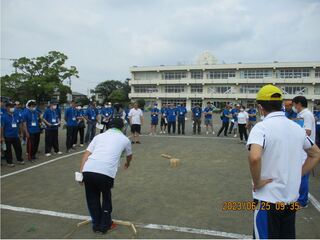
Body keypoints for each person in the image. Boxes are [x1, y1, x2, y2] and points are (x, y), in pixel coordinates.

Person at [247, 84, 320, 239]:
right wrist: (298, 173)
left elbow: (254, 157)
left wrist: (257, 182)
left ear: (260, 107)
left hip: (267, 199)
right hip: (290, 200)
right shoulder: (296, 127)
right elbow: (315, 153)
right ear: (281, 104)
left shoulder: (261, 127)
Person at [79, 117, 133, 233]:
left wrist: (81, 173)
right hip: (106, 172)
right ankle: (105, 225)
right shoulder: (125, 139)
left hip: (88, 170)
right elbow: (129, 155)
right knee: (106, 197)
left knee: (92, 198)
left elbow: (86, 155)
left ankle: (96, 224)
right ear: (121, 127)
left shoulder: (98, 136)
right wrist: (127, 163)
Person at [292, 96, 316, 208]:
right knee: (301, 174)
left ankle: (302, 201)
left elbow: (307, 131)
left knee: (303, 174)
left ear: (299, 104)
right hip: (301, 148)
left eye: (294, 104)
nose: (294, 107)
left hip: (305, 150)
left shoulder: (306, 114)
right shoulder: (301, 114)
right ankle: (301, 198)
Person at [1, 102, 24, 166]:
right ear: (7, 108)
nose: (12, 108)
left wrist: (21, 133)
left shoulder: (16, 114)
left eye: (13, 107)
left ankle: (19, 159)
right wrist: (2, 137)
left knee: (18, 148)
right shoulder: (3, 117)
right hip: (7, 136)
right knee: (8, 150)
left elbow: (19, 124)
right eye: (11, 107)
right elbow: (2, 128)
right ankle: (9, 162)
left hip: (16, 135)